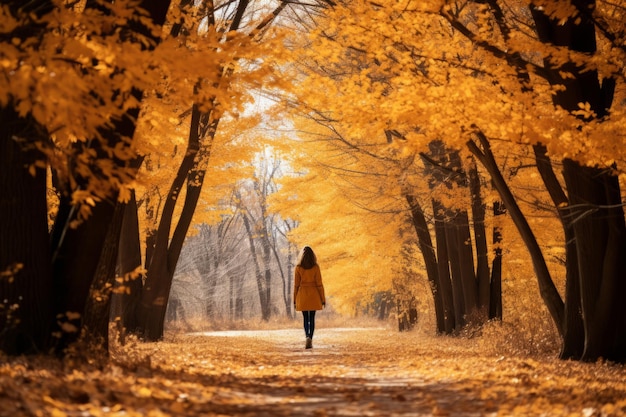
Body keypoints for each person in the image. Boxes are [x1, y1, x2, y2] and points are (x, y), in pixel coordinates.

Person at [293, 246, 325, 349]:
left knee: (305, 318)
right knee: (312, 317)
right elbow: (319, 284)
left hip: (302, 295)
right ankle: (310, 337)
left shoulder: (298, 268)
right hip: (314, 295)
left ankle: (307, 335)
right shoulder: (316, 267)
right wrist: (322, 299)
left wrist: (294, 300)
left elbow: (296, 285)